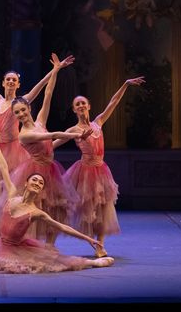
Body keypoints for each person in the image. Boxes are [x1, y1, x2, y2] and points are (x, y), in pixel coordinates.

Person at [0, 134, 114, 274]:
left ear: (40, 190)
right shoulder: (13, 194)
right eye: (35, 180)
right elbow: (4, 169)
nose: (37, 183)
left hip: (16, 250)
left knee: (54, 263)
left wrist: (88, 239)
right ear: (27, 184)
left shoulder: (36, 212)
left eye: (40, 183)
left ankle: (93, 262)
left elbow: (62, 227)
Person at [0, 50, 74, 238]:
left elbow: (43, 88)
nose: (11, 82)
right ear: (3, 83)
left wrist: (55, 70)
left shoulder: (22, 102)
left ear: (18, 84)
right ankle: (2, 231)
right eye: (8, 80)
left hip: (17, 149)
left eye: (14, 80)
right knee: (2, 193)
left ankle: (21, 229)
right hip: (0, 148)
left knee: (17, 190)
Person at [0, 54, 83, 245]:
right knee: (28, 204)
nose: (21, 114)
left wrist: (55, 70)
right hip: (34, 170)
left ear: (29, 109)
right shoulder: (24, 134)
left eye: (23, 110)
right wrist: (75, 135)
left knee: (54, 208)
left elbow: (47, 94)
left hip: (50, 169)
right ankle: (1, 240)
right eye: (17, 113)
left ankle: (50, 245)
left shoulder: (40, 121)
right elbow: (51, 136)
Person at [56, 76, 145, 257]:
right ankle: (57, 240)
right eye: (77, 104)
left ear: (88, 106)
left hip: (101, 171)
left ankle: (100, 245)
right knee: (88, 210)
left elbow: (113, 102)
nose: (81, 106)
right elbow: (53, 143)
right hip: (85, 172)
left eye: (83, 103)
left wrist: (125, 84)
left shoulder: (98, 122)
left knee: (104, 209)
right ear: (74, 110)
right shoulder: (73, 130)